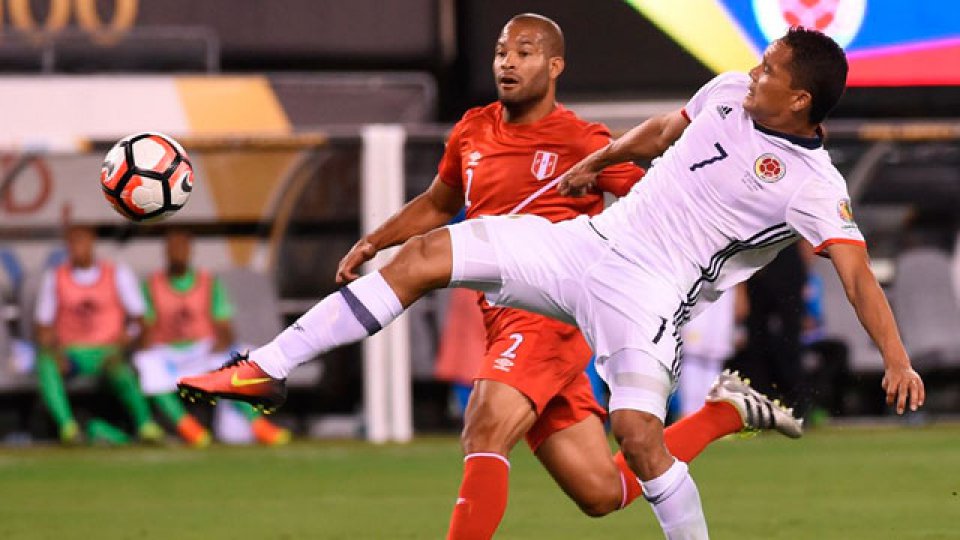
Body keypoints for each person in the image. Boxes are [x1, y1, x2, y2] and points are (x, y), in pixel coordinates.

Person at [174, 18, 855, 540]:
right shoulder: (472, 130)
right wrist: (377, 238)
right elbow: (442, 204)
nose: (507, 60)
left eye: (525, 51)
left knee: (485, 425)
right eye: (502, 49)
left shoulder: (580, 138)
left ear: (554, 66)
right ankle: (721, 415)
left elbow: (660, 199)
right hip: (504, 306)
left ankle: (265, 367)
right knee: (601, 492)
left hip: (560, 305)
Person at [134, 227, 290, 447]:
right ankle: (189, 429)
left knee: (236, 361)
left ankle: (258, 425)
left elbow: (225, 326)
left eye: (182, 247)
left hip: (202, 349)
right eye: (172, 248)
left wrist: (219, 348)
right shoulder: (151, 285)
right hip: (169, 352)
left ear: (190, 251)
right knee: (147, 366)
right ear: (165, 252)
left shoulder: (208, 282)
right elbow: (147, 327)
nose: (177, 252)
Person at [34, 224, 163, 444]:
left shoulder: (117, 274)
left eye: (81, 241)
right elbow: (43, 326)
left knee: (121, 370)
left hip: (109, 352)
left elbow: (140, 319)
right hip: (72, 354)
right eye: (72, 242)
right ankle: (69, 428)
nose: (76, 247)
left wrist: (125, 343)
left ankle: (145, 425)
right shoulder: (55, 278)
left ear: (92, 243)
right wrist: (55, 351)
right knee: (45, 362)